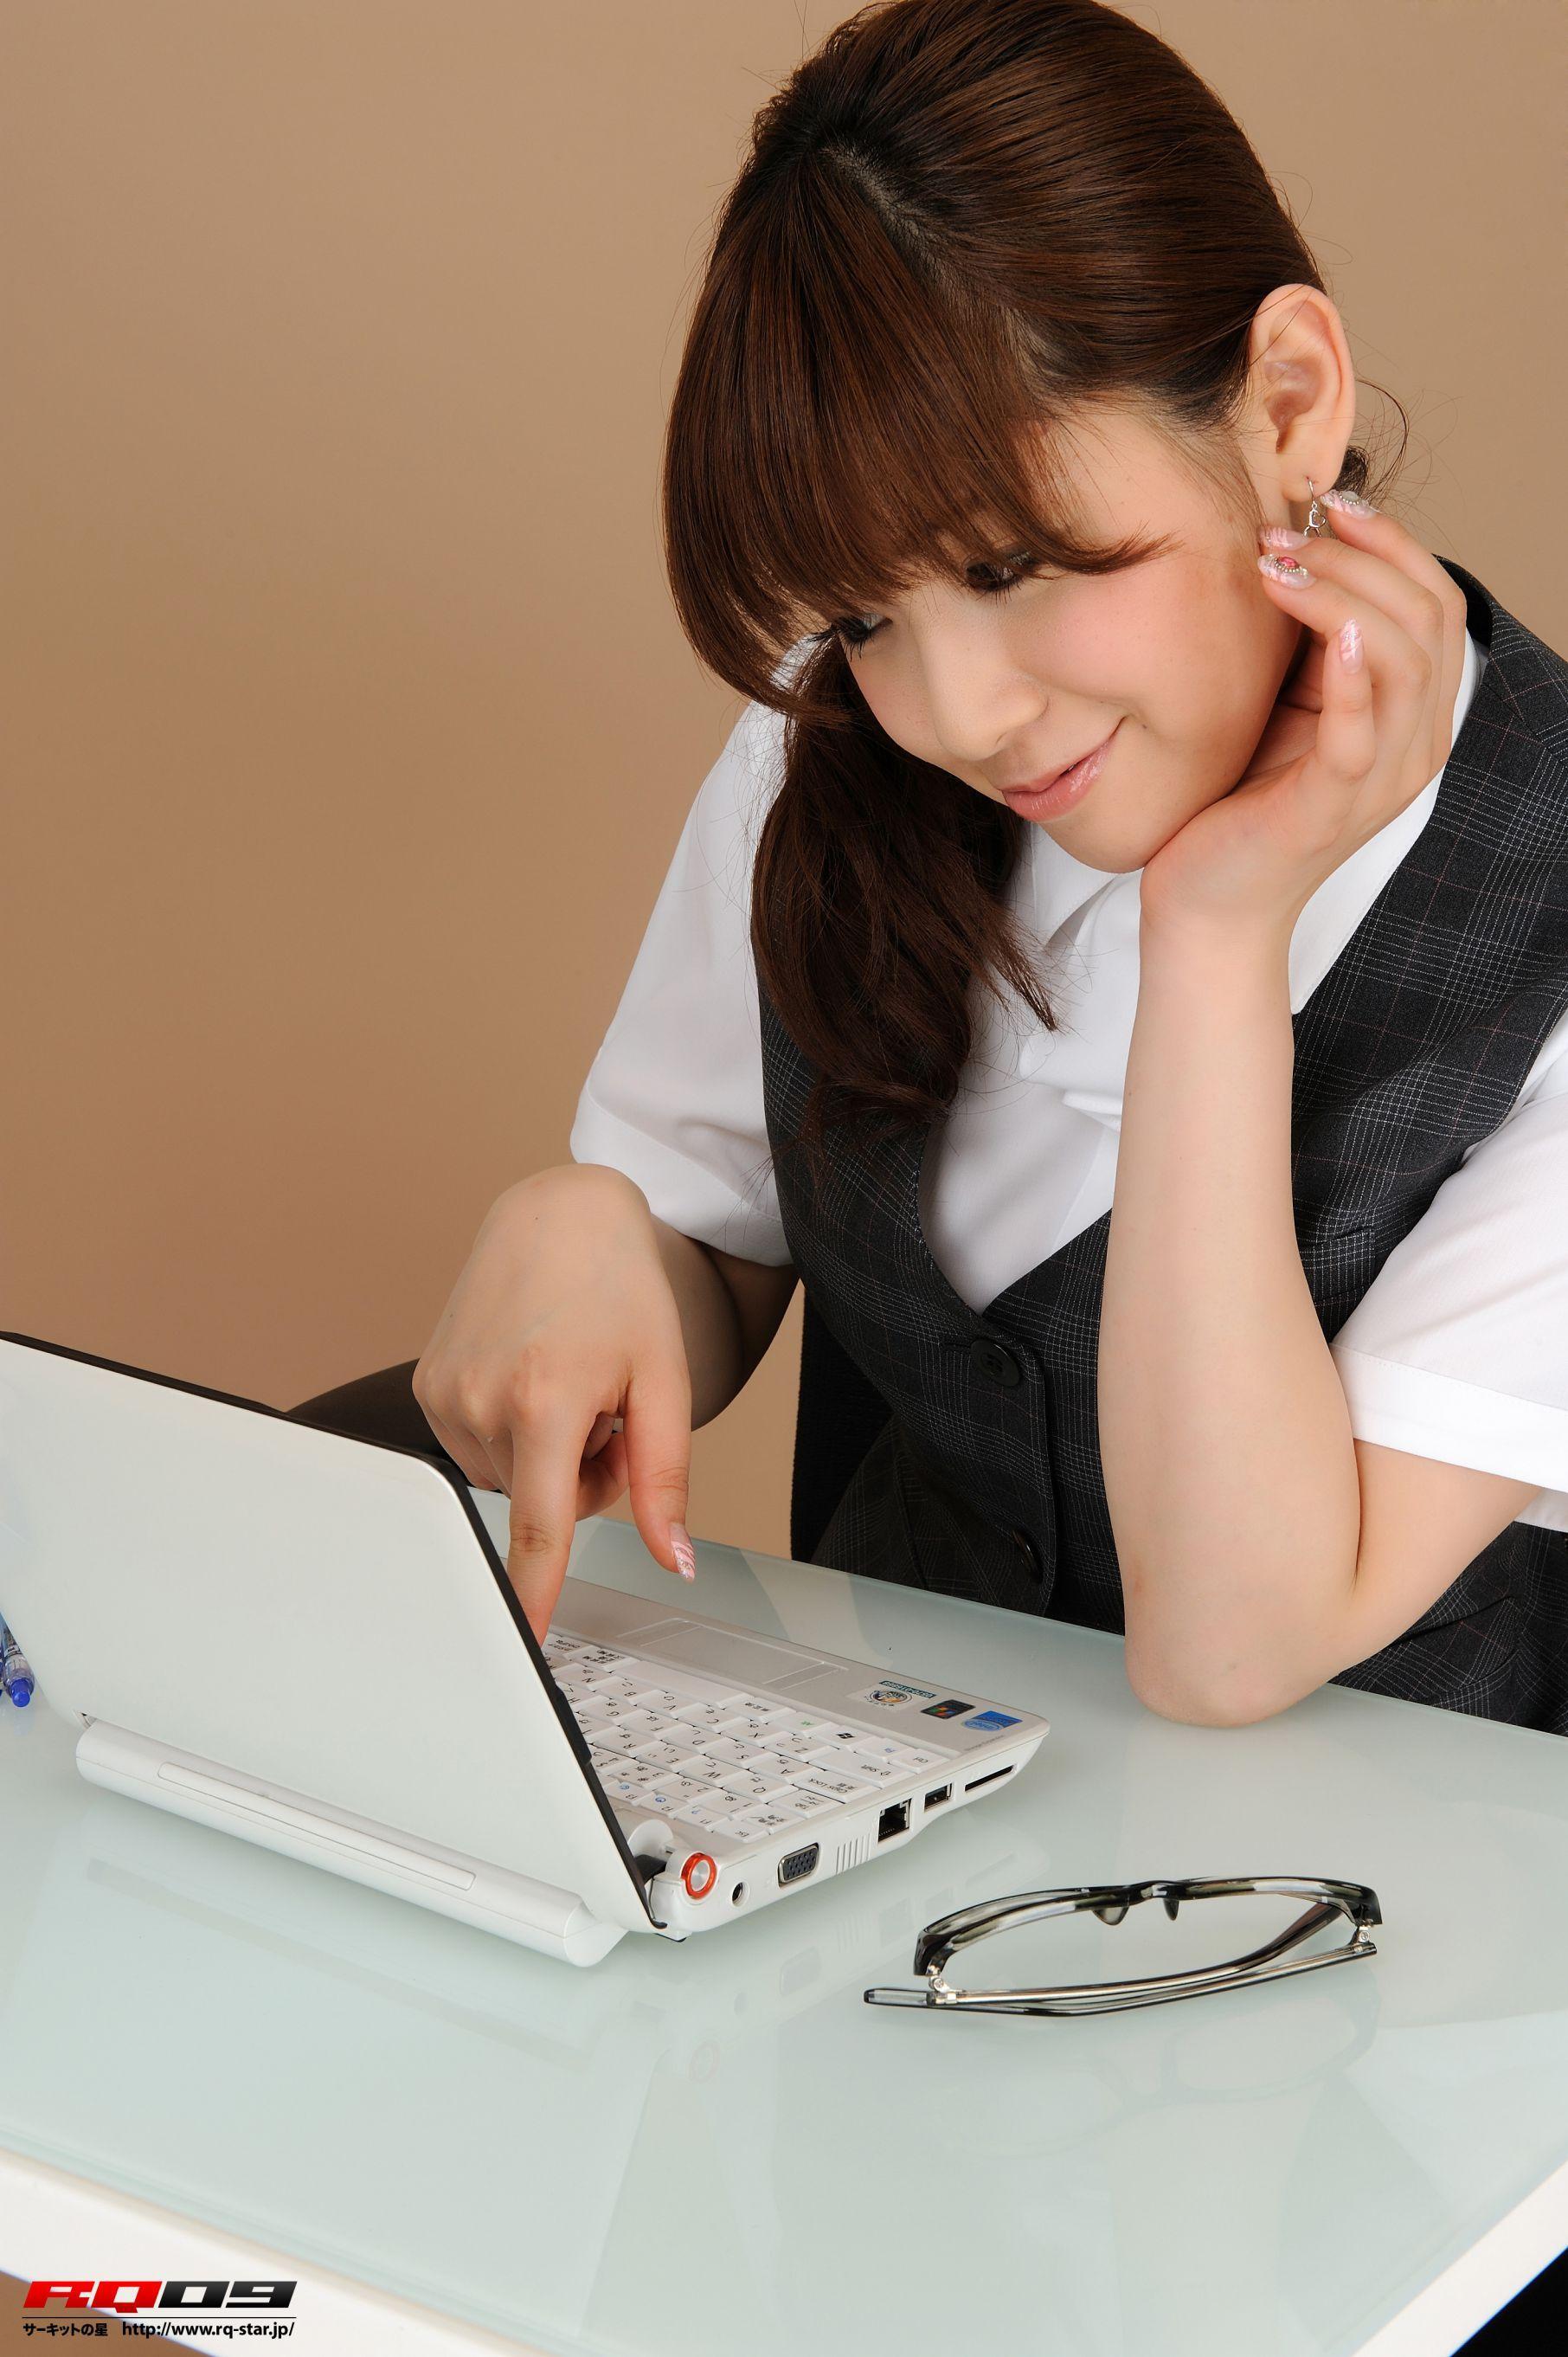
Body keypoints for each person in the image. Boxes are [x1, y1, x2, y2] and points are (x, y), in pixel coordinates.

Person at [343, 0, 1567, 1752]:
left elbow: (1233, 1643)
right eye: (862, 614)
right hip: (875, 1837)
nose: (958, 711)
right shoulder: (830, 753)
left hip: (1406, 1944)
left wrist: (1217, 934)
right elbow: (714, 1238)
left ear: (1289, 404)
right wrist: (596, 1226)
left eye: (1015, 562)